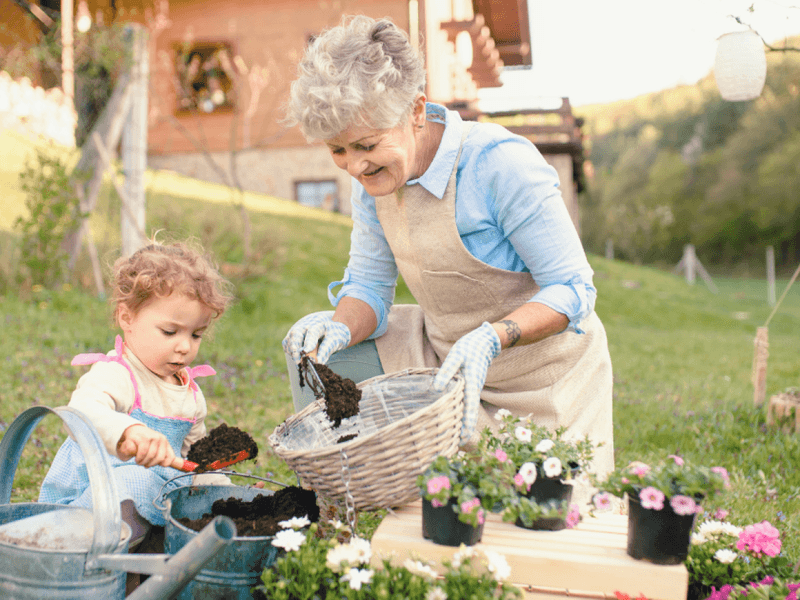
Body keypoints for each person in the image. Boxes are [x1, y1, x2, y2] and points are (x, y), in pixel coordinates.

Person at [281, 15, 614, 476]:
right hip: (445, 361)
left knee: (533, 522)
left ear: (416, 112)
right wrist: (339, 329)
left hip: (542, 378)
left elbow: (574, 288)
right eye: (337, 151)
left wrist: (492, 336)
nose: (354, 167)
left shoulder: (500, 164)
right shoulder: (372, 181)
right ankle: (347, 487)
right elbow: (371, 289)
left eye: (365, 145)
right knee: (319, 343)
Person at [39, 238, 235, 552]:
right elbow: (81, 412)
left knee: (185, 498)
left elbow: (198, 463)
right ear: (127, 318)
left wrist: (227, 497)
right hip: (86, 508)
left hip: (151, 508)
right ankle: (103, 570)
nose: (185, 346)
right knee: (137, 479)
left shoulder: (190, 397)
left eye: (195, 334)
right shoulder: (118, 374)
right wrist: (129, 431)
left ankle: (141, 567)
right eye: (170, 332)